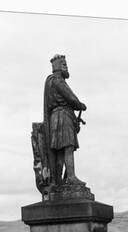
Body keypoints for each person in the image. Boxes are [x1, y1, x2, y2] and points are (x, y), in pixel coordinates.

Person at [43, 54, 87, 186]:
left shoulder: (51, 81)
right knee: (68, 147)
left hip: (55, 119)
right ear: (57, 67)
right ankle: (71, 177)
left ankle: (58, 181)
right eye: (64, 64)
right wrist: (80, 105)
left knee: (60, 151)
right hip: (63, 117)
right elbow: (70, 97)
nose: (66, 67)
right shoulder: (57, 80)